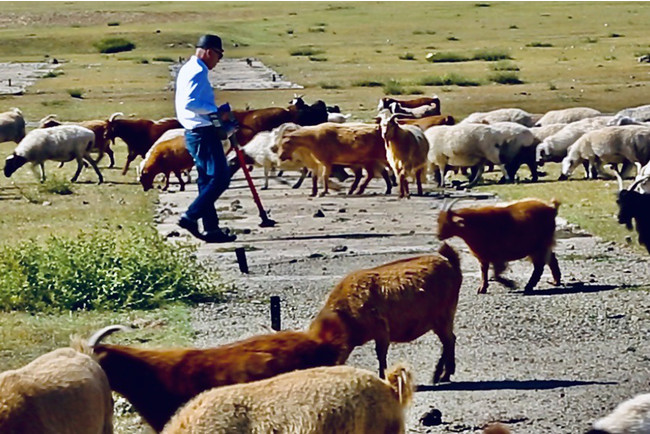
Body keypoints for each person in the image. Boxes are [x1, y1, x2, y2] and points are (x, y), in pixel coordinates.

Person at [174, 34, 237, 243]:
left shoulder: (188, 69)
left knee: (206, 181)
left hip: (194, 132)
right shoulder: (198, 70)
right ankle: (191, 216)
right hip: (203, 132)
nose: (217, 62)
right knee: (220, 179)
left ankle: (211, 229)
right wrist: (215, 112)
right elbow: (191, 102)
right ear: (210, 51)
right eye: (218, 56)